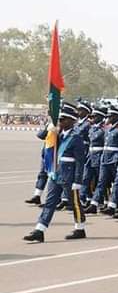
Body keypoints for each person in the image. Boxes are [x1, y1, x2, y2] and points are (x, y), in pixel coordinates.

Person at [23, 103, 87, 242]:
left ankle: (80, 228)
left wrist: (77, 181)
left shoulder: (76, 138)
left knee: (74, 203)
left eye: (63, 119)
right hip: (55, 173)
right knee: (49, 202)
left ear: (71, 121)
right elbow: (41, 136)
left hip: (69, 176)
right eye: (60, 119)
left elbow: (80, 162)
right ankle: (40, 230)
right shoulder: (57, 135)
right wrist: (50, 125)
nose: (61, 122)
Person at [85, 104, 118, 214]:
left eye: (110, 116)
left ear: (116, 117)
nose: (108, 118)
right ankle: (94, 204)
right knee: (101, 182)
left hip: (115, 159)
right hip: (105, 158)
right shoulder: (108, 129)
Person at [80, 106, 106, 209]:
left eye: (94, 116)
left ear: (100, 117)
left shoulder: (104, 129)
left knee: (100, 181)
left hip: (100, 157)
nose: (92, 118)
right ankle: (81, 198)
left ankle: (97, 202)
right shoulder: (92, 128)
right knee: (86, 178)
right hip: (90, 156)